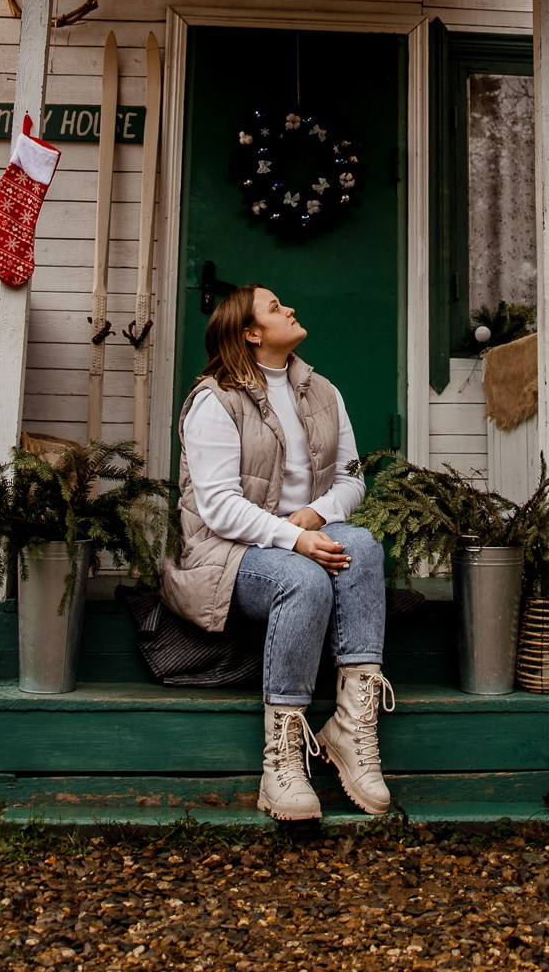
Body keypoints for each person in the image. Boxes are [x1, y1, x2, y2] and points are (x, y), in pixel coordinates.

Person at [161, 283, 394, 821]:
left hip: (303, 535)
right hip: (230, 555)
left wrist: (314, 517)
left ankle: (352, 729)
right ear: (251, 333)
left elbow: (352, 479)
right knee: (304, 580)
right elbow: (217, 507)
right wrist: (294, 538)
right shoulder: (214, 400)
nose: (290, 308)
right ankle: (281, 760)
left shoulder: (322, 392)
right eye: (274, 307)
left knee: (362, 545)